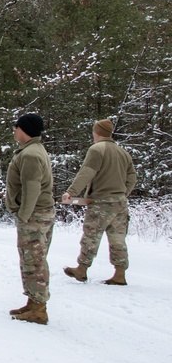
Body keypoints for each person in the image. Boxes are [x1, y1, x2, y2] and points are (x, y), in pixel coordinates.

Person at [61, 118, 138, 286]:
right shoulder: (123, 153)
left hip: (101, 202)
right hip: (120, 203)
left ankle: (82, 269)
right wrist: (123, 193)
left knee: (91, 236)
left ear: (97, 132)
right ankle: (120, 273)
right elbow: (132, 177)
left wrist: (71, 192)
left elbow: (87, 172)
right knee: (118, 239)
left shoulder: (97, 149)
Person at [5, 113, 54, 325]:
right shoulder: (31, 150)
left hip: (34, 215)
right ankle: (33, 302)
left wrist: (24, 215)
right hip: (36, 213)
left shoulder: (31, 154)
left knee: (33, 261)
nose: (14, 131)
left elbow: (32, 187)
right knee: (32, 259)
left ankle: (39, 309)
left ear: (24, 129)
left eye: (16, 127)